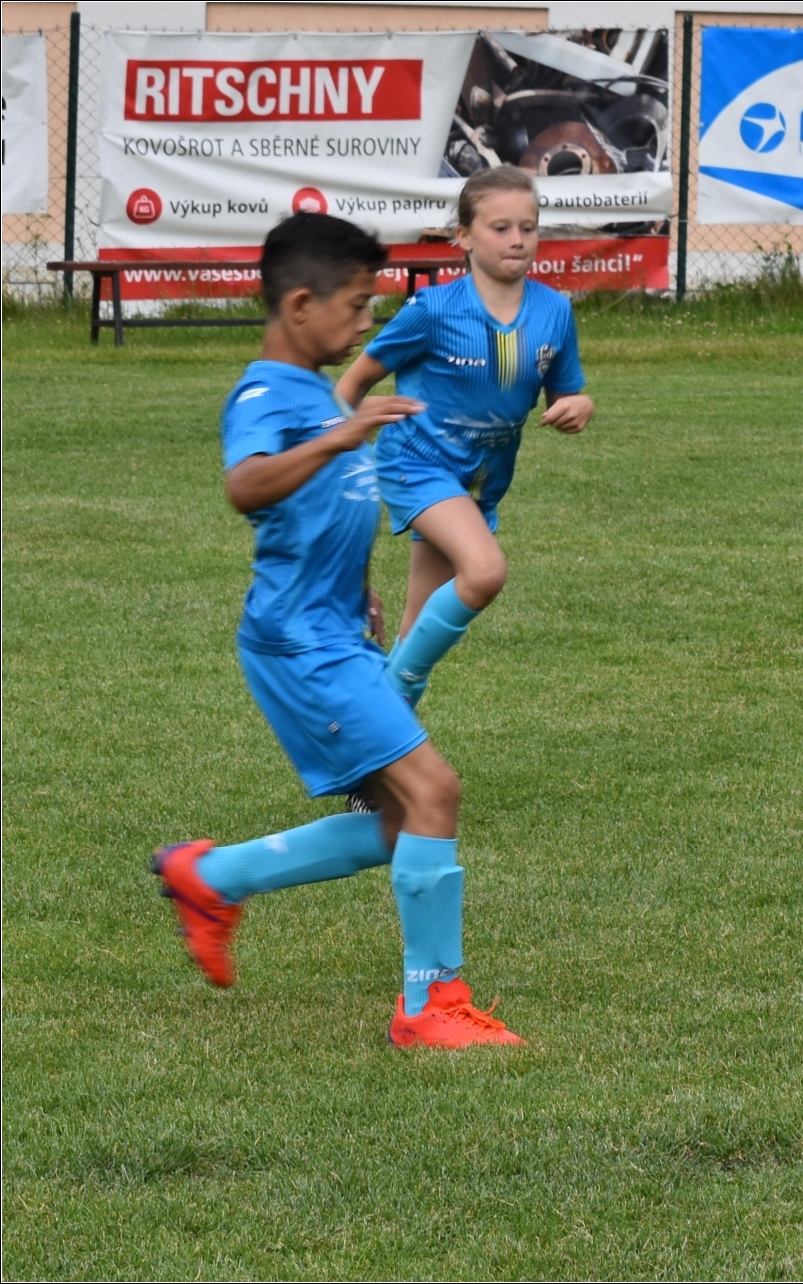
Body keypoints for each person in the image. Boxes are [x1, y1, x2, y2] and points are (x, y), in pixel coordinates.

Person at [152, 212, 522, 1048]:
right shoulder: (264, 394)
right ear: (300, 305)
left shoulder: (318, 394)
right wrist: (342, 434)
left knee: (401, 823)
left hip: (335, 634)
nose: (366, 323)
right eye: (356, 306)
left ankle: (214, 876)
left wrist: (359, 590)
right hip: (301, 645)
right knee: (435, 792)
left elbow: (327, 511)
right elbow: (247, 486)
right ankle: (431, 1008)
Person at [336, 166, 593, 708]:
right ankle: (396, 690)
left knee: (414, 628)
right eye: (500, 228)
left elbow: (566, 394)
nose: (517, 239)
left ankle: (375, 739)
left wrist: (579, 406)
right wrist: (336, 447)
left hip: (480, 483)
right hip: (416, 465)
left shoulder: (554, 311)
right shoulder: (433, 310)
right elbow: (351, 385)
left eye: (528, 227)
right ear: (464, 236)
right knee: (484, 572)